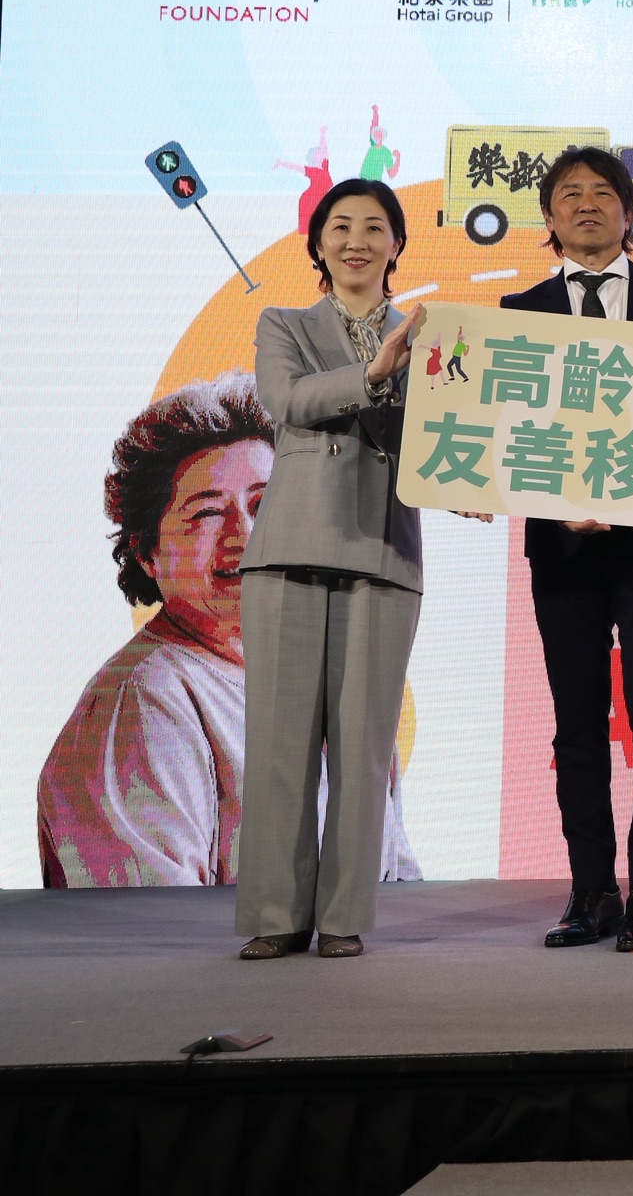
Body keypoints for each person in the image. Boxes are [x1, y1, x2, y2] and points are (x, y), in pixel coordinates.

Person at [38, 379, 424, 888]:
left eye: (265, 504)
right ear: (147, 552)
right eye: (206, 513)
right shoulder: (144, 702)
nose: (245, 536)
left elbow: (399, 884)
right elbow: (150, 925)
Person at [502, 146, 633, 953]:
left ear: (630, 213)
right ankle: (591, 892)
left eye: (602, 193)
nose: (586, 204)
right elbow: (509, 427)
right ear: (549, 218)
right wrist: (559, 501)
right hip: (562, 550)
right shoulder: (519, 311)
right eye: (569, 194)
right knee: (576, 726)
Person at [232, 179, 436, 960]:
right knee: (280, 742)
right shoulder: (284, 324)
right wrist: (376, 371)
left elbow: (444, 435)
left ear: (396, 245)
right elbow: (286, 400)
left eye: (374, 227)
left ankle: (345, 915)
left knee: (364, 746)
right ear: (318, 244)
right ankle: (276, 914)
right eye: (340, 226)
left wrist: (471, 482)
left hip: (384, 551)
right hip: (290, 548)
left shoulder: (434, 338)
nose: (357, 240)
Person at [275, 129, 332, 235]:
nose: (321, 154)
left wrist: (322, 134)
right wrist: (282, 163)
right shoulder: (312, 170)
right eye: (318, 153)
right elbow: (295, 167)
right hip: (312, 198)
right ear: (314, 157)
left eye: (321, 152)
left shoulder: (325, 166)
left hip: (323, 197)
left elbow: (324, 148)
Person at [358, 107, 401, 183]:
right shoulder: (372, 146)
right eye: (375, 134)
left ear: (382, 136)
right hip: (362, 181)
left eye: (379, 134)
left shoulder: (385, 152)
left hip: (374, 183)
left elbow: (391, 174)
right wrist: (375, 113)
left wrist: (398, 158)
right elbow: (374, 125)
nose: (376, 136)